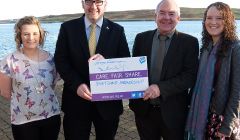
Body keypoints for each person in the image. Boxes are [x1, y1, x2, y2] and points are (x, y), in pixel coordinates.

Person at [54, 0, 130, 139]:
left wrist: (107, 63)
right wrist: (77, 84)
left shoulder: (117, 30)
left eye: (98, 1)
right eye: (89, 1)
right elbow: (61, 60)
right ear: (82, 3)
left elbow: (125, 61)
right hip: (76, 102)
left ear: (105, 4)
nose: (93, 6)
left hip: (108, 106)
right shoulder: (67, 28)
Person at [129, 0, 199, 139]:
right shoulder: (141, 38)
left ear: (178, 18)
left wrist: (160, 88)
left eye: (171, 14)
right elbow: (132, 69)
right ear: (155, 16)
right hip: (144, 111)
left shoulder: (189, 42)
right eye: (162, 13)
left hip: (174, 113)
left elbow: (189, 76)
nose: (166, 17)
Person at [0, 16, 61, 140]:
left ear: (40, 35)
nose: (31, 38)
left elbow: (52, 85)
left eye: (35, 33)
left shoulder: (51, 58)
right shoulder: (10, 60)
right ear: (19, 36)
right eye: (26, 34)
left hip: (51, 116)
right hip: (23, 121)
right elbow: (6, 93)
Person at [185, 2, 240, 140]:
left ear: (227, 21)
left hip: (221, 119)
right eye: (209, 18)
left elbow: (237, 92)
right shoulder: (206, 47)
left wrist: (227, 125)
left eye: (219, 18)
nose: (213, 22)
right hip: (201, 115)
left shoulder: (235, 48)